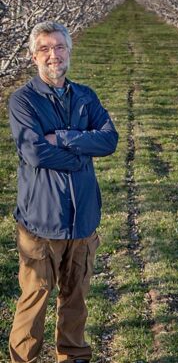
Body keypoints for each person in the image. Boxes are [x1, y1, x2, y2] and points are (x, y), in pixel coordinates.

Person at [8, 21, 118, 363]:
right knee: (35, 298)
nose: (53, 55)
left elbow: (109, 140)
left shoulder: (85, 96)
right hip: (42, 220)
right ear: (32, 56)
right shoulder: (22, 100)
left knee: (76, 298)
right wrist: (79, 158)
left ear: (69, 51)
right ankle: (23, 359)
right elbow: (35, 152)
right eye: (44, 48)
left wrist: (66, 138)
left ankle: (72, 356)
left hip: (82, 220)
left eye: (59, 47)